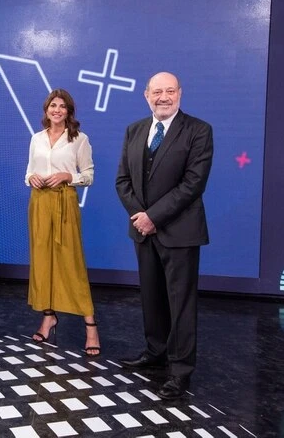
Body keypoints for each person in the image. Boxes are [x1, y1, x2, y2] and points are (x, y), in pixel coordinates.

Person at [115, 71, 213, 400]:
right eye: (157, 92)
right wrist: (141, 218)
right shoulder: (134, 130)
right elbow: (122, 181)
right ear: (146, 95)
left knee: (180, 303)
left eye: (170, 91)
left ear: (180, 94)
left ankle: (180, 370)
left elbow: (193, 184)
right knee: (151, 297)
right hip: (143, 231)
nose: (163, 97)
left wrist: (153, 217)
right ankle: (155, 352)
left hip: (180, 231)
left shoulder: (199, 130)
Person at [25, 88, 100, 356]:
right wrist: (31, 178)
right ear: (46, 110)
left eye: (62, 106)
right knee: (42, 261)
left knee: (71, 262)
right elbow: (29, 171)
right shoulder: (36, 138)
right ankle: (48, 317)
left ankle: (90, 326)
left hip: (64, 201)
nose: (57, 110)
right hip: (39, 202)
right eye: (53, 106)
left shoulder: (79, 139)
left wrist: (69, 176)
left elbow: (88, 175)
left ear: (69, 111)